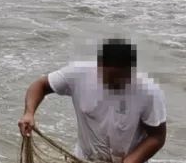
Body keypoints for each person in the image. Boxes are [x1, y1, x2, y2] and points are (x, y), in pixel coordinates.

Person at [19, 39, 167, 163]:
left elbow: (157, 136)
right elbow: (41, 85)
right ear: (99, 66)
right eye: (111, 78)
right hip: (84, 159)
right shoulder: (79, 75)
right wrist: (29, 113)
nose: (117, 82)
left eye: (122, 77)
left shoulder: (149, 92)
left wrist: (130, 161)